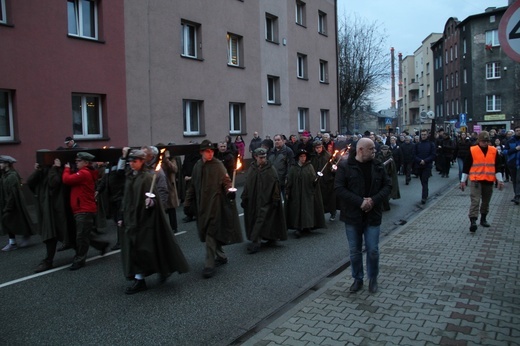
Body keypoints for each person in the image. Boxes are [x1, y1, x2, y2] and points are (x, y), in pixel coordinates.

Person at [118, 149, 189, 294]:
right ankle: (140, 279)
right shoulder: (130, 177)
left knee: (147, 249)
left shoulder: (147, 178)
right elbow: (126, 199)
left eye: (135, 161)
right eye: (130, 161)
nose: (132, 164)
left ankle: (159, 271)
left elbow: (158, 195)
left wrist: (153, 203)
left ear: (142, 162)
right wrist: (121, 216)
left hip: (145, 220)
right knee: (133, 249)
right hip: (131, 220)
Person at [334, 138, 392, 293]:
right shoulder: (345, 166)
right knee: (355, 251)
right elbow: (339, 188)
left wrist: (373, 200)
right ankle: (357, 279)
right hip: (352, 216)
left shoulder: (378, 165)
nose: (374, 151)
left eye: (374, 149)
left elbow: (388, 185)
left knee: (373, 250)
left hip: (373, 215)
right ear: (360, 150)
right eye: (371, 149)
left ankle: (373, 278)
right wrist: (360, 202)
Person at [183, 140, 243, 278]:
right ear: (201, 152)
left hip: (215, 205)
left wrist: (230, 191)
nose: (210, 154)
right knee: (208, 232)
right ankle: (221, 256)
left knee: (211, 232)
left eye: (211, 151)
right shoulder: (197, 166)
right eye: (207, 151)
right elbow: (192, 186)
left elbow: (227, 181)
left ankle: (209, 264)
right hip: (201, 206)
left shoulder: (218, 165)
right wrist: (187, 203)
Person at [62, 152, 109, 270]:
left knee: (81, 237)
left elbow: (67, 180)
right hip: (83, 208)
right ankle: (101, 245)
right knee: (84, 233)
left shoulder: (84, 173)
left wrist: (66, 169)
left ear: (86, 162)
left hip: (84, 209)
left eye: (79, 161)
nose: (76, 163)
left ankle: (80, 260)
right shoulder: (86, 172)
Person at [241, 148, 287, 254]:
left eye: (264, 157)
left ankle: (256, 242)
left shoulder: (270, 169)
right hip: (254, 200)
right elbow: (247, 184)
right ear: (256, 157)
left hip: (267, 200)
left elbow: (275, 184)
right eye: (261, 157)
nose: (263, 159)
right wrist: (244, 197)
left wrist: (275, 198)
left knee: (263, 219)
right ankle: (265, 238)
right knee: (255, 219)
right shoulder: (252, 168)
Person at [26, 159, 70, 272]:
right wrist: (37, 171)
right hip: (45, 210)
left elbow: (53, 183)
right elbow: (30, 183)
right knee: (55, 234)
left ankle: (48, 261)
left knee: (52, 235)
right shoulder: (41, 174)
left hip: (54, 210)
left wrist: (54, 168)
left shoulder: (55, 172)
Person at [460, 131, 504, 232]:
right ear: (479, 141)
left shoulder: (493, 151)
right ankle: (473, 221)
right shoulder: (472, 150)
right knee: (475, 201)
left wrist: (500, 181)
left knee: (486, 201)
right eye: (483, 141)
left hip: (488, 181)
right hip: (476, 180)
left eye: (487, 141)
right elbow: (466, 167)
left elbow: (498, 167)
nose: (485, 143)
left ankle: (483, 219)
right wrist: (463, 181)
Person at [285, 149, 326, 238]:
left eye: (304, 156)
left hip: (307, 192)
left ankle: (307, 225)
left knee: (306, 209)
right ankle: (298, 227)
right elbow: (290, 180)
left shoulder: (309, 167)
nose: (303, 158)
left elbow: (313, 179)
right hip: (296, 192)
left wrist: (316, 180)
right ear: (298, 158)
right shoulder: (293, 168)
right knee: (297, 209)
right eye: (301, 156)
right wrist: (288, 191)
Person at [0, 155, 36, 251]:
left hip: (13, 204)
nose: (0, 165)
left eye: (1, 163)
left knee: (13, 220)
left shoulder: (11, 176)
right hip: (6, 202)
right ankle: (14, 241)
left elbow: (12, 194)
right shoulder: (4, 174)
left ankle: (18, 240)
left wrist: (8, 207)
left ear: (7, 164)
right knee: (10, 222)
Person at [310, 141, 337, 221]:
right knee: (319, 198)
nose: (318, 149)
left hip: (327, 180)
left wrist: (333, 169)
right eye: (316, 148)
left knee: (329, 198)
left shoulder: (328, 156)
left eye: (319, 147)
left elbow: (334, 165)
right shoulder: (312, 156)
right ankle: (320, 214)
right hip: (317, 180)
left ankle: (333, 212)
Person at [268, 134, 294, 200]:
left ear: (283, 141)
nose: (276, 142)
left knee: (286, 200)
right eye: (275, 140)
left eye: (278, 140)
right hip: (272, 180)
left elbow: (290, 166)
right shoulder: (271, 151)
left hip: (283, 180)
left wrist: (287, 178)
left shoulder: (288, 151)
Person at [413, 129, 436, 204]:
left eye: (424, 134)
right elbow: (414, 155)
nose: (423, 136)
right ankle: (425, 193)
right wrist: (419, 160)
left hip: (427, 165)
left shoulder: (431, 144)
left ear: (427, 135)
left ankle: (424, 197)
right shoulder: (417, 144)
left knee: (424, 181)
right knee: (422, 181)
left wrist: (425, 161)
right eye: (422, 134)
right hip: (419, 165)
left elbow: (433, 155)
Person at [376, 145, 400, 211]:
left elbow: (392, 167)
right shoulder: (379, 156)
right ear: (381, 150)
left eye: (386, 149)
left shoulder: (390, 156)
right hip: (381, 175)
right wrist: (388, 161)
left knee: (389, 188)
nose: (385, 151)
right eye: (384, 149)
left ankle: (387, 201)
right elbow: (380, 165)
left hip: (388, 174)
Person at [505, 126, 520, 205]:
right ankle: (516, 195)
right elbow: (505, 151)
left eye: (519, 130)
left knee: (518, 180)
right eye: (517, 130)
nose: (518, 132)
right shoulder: (510, 141)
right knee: (514, 180)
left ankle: (517, 196)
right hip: (512, 163)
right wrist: (515, 149)